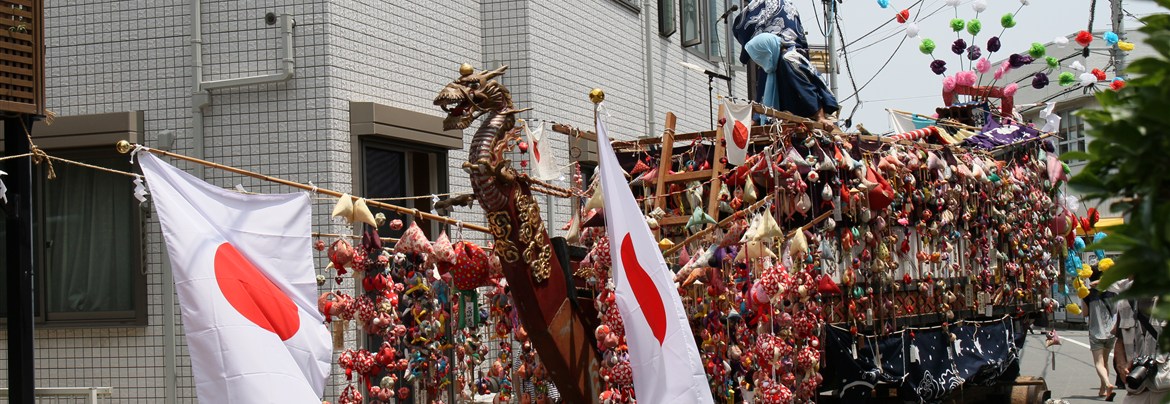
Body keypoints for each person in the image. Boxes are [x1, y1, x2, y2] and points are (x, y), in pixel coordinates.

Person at [732, 0, 838, 128]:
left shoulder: (788, 59)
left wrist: (819, 117)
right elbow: (763, 95)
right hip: (785, 47)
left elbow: (807, 89)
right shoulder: (772, 62)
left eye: (759, 56)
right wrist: (756, 118)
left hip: (816, 110)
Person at [1112, 277, 1168, 403]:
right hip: (1136, 386)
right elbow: (1120, 340)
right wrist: (1121, 365)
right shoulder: (1125, 299)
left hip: (1166, 386)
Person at [1084, 263, 1119, 400]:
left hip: (1095, 332)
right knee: (1105, 362)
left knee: (1099, 363)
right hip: (1111, 331)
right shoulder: (1113, 292)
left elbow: (1085, 314)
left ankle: (1107, 384)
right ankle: (1103, 390)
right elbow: (1116, 310)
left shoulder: (1087, 293)